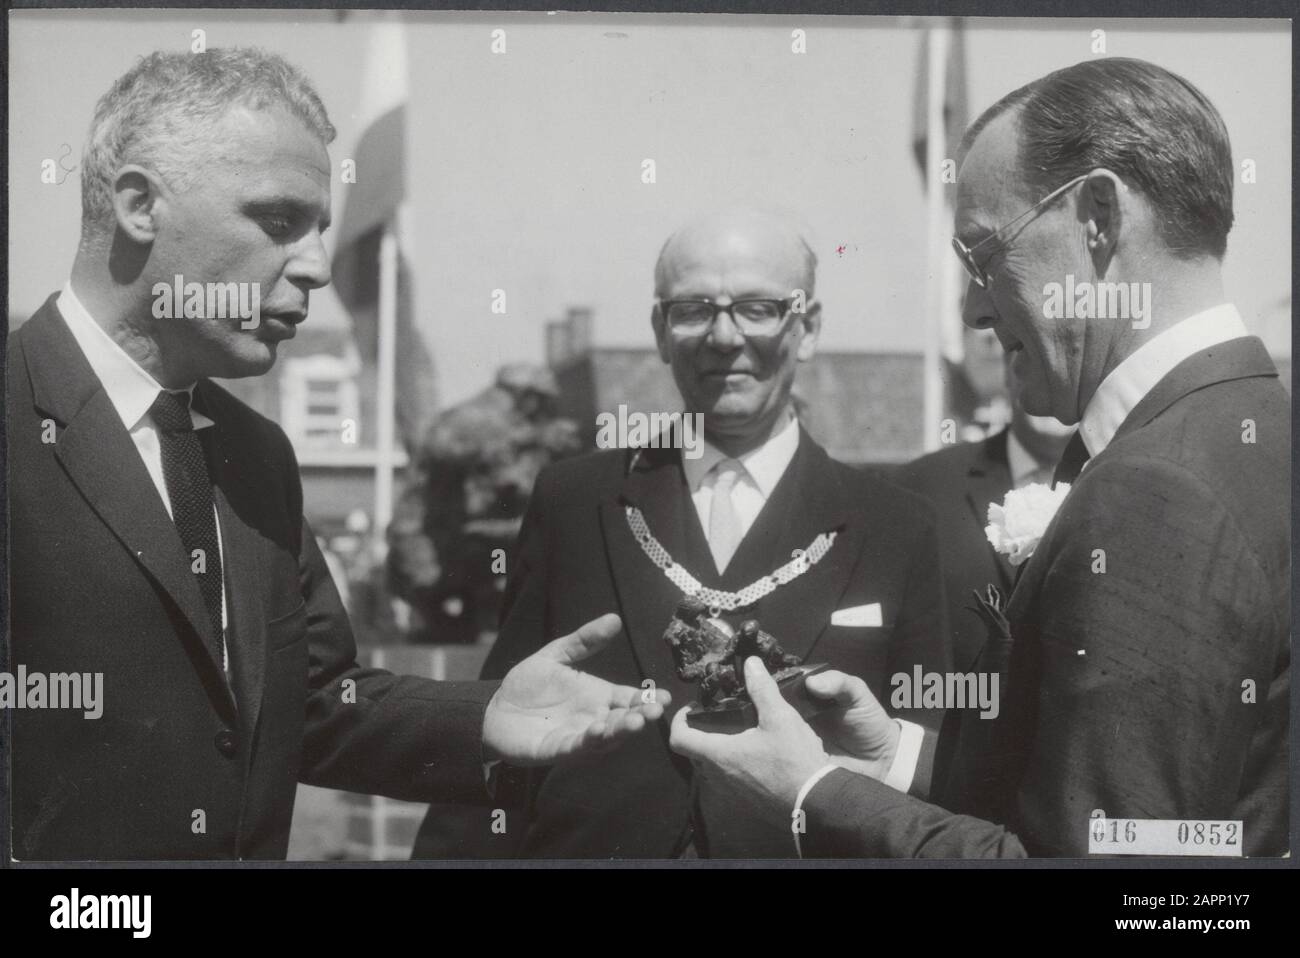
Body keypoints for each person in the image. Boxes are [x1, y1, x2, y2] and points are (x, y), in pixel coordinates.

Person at [7, 48, 667, 861]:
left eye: (320, 229)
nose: (316, 266)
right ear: (140, 205)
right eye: (279, 222)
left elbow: (313, 702)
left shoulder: (255, 454)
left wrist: (486, 716)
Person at [671, 57, 1289, 858]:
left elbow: (1134, 893)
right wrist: (895, 755)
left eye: (984, 253)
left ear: (1098, 214)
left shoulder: (1156, 487)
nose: (970, 307)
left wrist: (814, 796)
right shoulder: (1257, 429)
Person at [415, 208, 950, 859]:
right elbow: (502, 734)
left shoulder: (896, 525)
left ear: (806, 328)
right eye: (694, 309)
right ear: (662, 331)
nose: (725, 337)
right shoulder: (575, 501)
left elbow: (930, 772)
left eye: (758, 308)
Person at [893, 357, 1075, 674]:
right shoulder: (922, 488)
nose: (1053, 377)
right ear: (1007, 369)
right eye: (1033, 354)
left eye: (1071, 363)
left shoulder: (1132, 489)